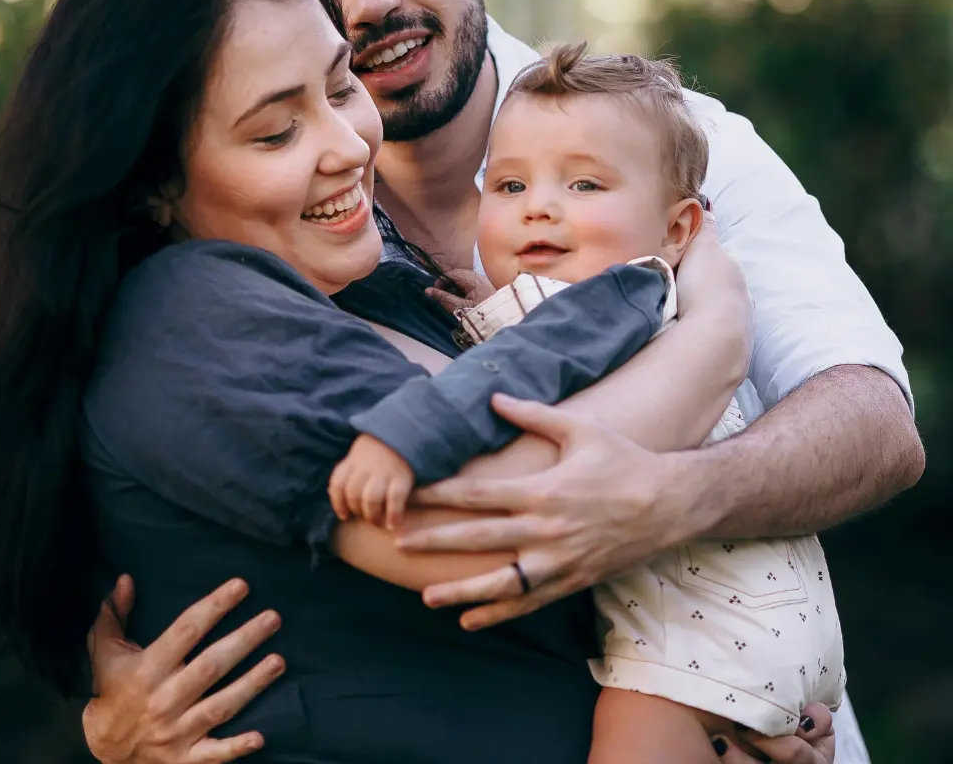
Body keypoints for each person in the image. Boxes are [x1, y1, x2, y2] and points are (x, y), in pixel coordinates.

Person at [82, 0, 923, 764]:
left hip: (747, 701)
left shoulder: (666, 142)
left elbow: (875, 421)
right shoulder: (298, 237)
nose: (369, 0)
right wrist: (107, 713)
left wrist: (669, 501)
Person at [0, 0, 756, 763]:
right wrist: (715, 331)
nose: (347, 146)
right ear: (153, 179)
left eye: (342, 88)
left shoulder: (377, 284)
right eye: (276, 132)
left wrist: (731, 707)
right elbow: (503, 526)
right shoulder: (191, 316)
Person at [330, 46, 847, 762]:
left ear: (677, 230)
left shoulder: (626, 289)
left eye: (583, 184)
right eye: (509, 185)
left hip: (703, 633)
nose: (539, 205)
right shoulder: (628, 305)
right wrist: (492, 307)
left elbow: (531, 360)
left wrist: (404, 436)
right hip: (760, 618)